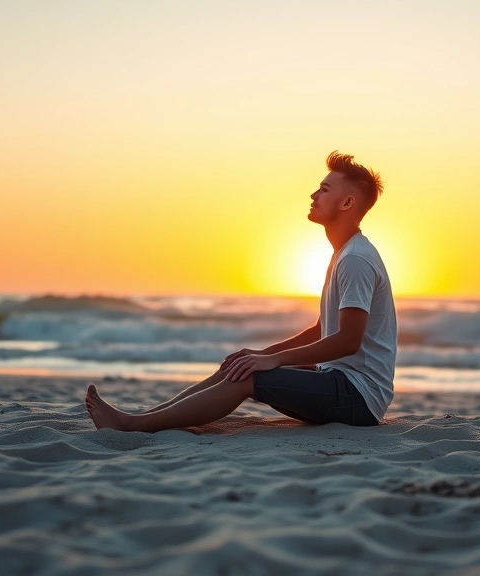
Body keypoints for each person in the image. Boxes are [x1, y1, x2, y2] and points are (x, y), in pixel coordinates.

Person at [85, 151, 397, 432]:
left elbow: (347, 340)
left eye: (325, 189)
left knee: (247, 377)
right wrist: (263, 354)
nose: (314, 194)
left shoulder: (355, 259)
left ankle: (129, 425)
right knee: (240, 365)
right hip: (339, 382)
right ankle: (145, 417)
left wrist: (273, 361)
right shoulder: (343, 253)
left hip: (358, 397)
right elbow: (321, 330)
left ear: (347, 203)